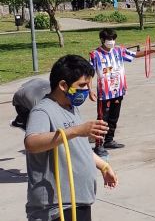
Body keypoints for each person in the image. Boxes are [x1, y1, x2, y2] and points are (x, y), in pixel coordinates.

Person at [24, 55, 118, 221]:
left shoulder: (71, 108)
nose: (87, 90)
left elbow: (77, 146)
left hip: (77, 201)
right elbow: (31, 143)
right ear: (63, 85)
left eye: (88, 85)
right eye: (82, 85)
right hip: (57, 208)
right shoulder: (43, 111)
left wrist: (103, 166)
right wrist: (76, 130)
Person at [90, 28, 155, 157]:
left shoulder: (119, 50)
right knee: (102, 119)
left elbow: (134, 54)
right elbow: (88, 73)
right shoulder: (95, 54)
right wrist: (89, 90)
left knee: (113, 117)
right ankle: (98, 145)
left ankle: (109, 140)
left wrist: (151, 51)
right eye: (109, 39)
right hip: (104, 93)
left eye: (113, 39)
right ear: (102, 40)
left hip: (118, 91)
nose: (111, 42)